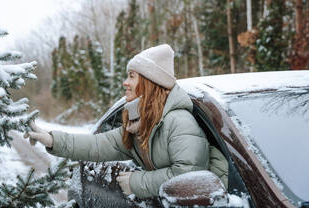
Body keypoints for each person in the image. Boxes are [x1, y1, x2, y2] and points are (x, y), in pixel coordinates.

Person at [25, 44, 212, 199]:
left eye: (131, 76)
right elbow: (97, 144)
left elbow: (188, 178)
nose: (125, 82)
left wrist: (135, 182)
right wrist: (51, 139)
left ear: (149, 82)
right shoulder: (139, 125)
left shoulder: (178, 122)